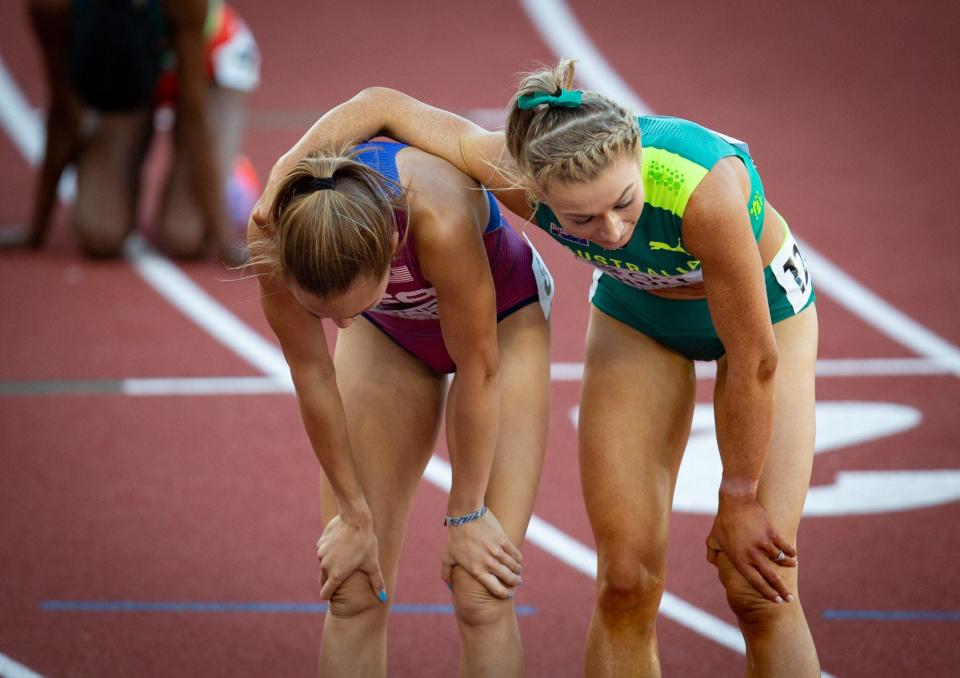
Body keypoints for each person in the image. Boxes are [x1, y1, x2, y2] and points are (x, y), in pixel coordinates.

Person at [253, 60, 821, 677]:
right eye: (580, 220)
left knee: (758, 589)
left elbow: (756, 358)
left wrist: (737, 497)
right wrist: (285, 174)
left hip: (765, 325)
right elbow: (384, 103)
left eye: (624, 204)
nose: (610, 231)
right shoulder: (507, 174)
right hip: (637, 318)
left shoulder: (704, 194)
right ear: (536, 193)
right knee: (626, 582)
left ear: (636, 155)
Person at [248, 140, 553, 677]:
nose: (339, 327)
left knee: (481, 589)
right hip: (390, 332)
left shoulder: (437, 214)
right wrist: (352, 513)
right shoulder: (273, 236)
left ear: (390, 242)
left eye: (352, 307)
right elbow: (314, 376)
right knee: (354, 587)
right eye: (326, 315)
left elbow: (479, 368)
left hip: (501, 325)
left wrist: (467, 512)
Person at [19, 0, 259, 260]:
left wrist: (224, 240)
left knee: (184, 236)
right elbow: (63, 116)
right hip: (129, 77)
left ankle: (233, 175)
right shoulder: (51, 7)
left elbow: (192, 114)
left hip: (211, 67)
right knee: (100, 234)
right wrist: (35, 232)